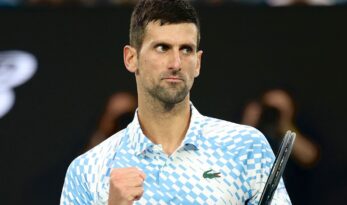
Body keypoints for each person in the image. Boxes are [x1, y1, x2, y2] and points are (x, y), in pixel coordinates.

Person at [60, 0, 291, 204]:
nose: (176, 63)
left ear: (198, 63)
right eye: (162, 48)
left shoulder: (245, 148)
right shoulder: (88, 170)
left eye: (186, 50)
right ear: (131, 58)